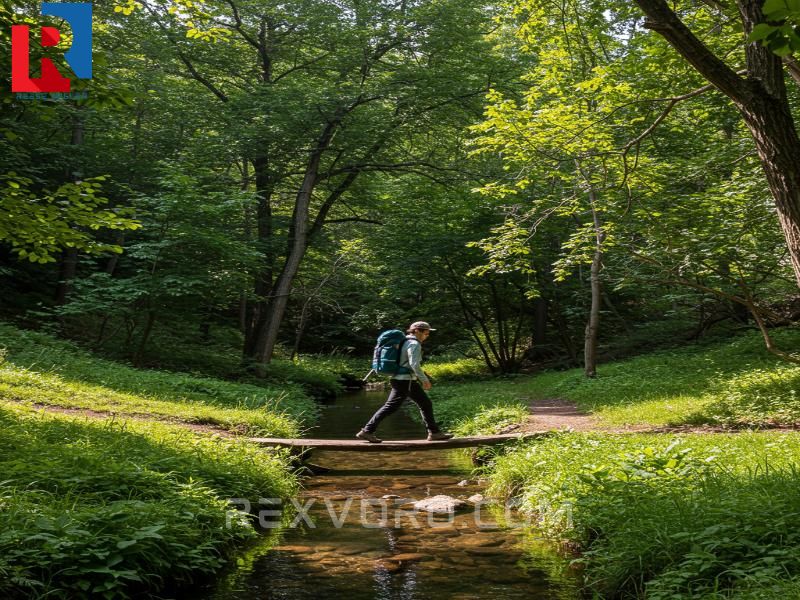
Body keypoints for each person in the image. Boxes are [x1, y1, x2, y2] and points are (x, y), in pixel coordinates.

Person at [356, 321, 454, 443]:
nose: (427, 335)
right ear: (417, 331)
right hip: (405, 380)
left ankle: (434, 433)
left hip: (402, 379)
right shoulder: (414, 344)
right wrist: (424, 380)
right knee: (391, 406)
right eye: (426, 333)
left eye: (428, 333)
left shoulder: (404, 341)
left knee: (425, 404)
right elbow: (414, 364)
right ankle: (367, 431)